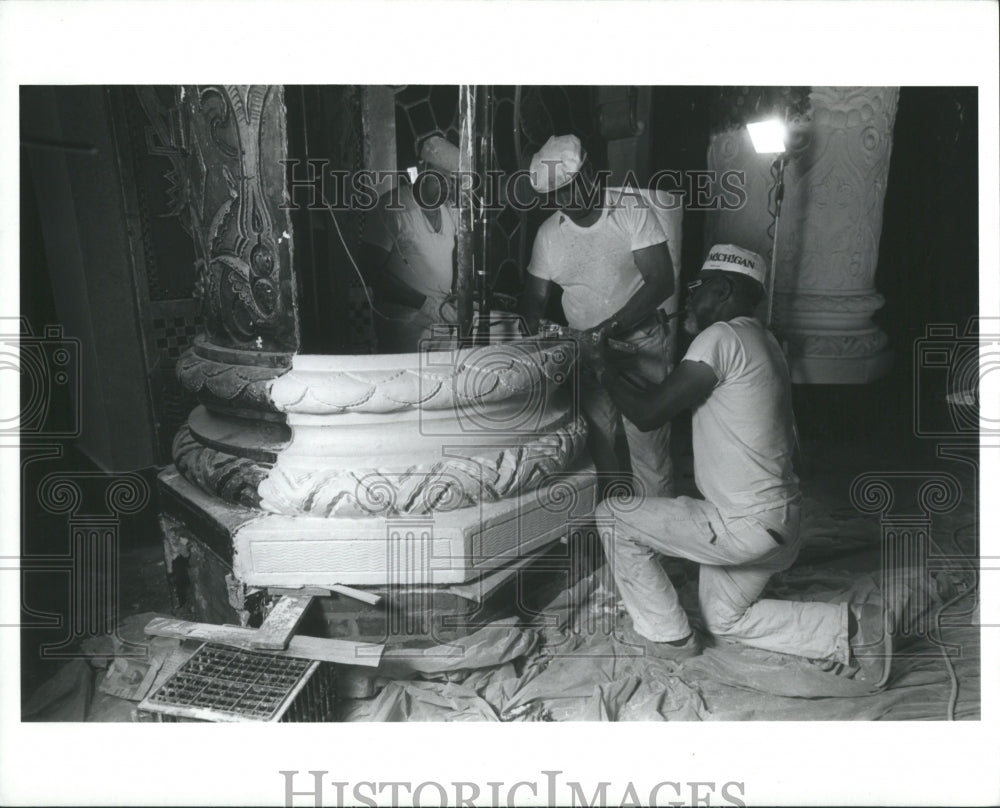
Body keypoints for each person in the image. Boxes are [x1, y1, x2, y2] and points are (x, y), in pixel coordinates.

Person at [586, 244, 892, 688]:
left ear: (723, 288)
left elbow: (650, 414)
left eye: (696, 289)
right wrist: (616, 368)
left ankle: (669, 637)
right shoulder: (762, 339)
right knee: (724, 619)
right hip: (781, 526)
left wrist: (600, 368)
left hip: (744, 527)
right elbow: (664, 397)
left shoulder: (720, 337)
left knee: (612, 515)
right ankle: (851, 629)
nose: (688, 301)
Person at [520, 134, 675, 499]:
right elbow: (534, 298)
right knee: (599, 449)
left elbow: (661, 281)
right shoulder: (548, 235)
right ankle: (618, 537)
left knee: (649, 452)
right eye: (554, 196)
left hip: (638, 346)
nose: (564, 202)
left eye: (570, 188)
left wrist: (607, 330)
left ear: (589, 171)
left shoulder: (630, 210)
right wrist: (532, 325)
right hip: (587, 355)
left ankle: (661, 541)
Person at [360, 134, 459, 352]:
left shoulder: (448, 211)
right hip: (404, 327)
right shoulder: (392, 207)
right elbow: (370, 271)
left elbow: (449, 258)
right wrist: (424, 303)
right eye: (442, 176)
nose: (448, 185)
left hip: (442, 321)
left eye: (452, 179)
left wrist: (454, 296)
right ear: (422, 168)